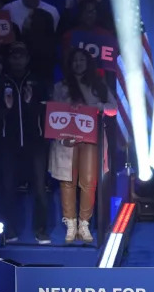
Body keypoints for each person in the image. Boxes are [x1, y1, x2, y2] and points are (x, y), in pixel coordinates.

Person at [49, 48, 117, 244]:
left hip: (91, 138)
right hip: (66, 141)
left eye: (82, 60)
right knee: (67, 180)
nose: (78, 63)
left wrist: (98, 107)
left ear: (88, 63)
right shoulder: (61, 86)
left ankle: (84, 224)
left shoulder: (98, 85)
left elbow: (114, 109)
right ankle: (70, 224)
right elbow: (53, 113)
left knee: (89, 182)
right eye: (75, 60)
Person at [0, 41, 50, 243]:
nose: (17, 59)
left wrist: (29, 104)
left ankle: (41, 229)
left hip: (35, 143)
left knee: (39, 187)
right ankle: (9, 230)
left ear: (27, 58)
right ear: (10, 59)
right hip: (8, 144)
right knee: (7, 187)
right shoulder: (1, 82)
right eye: (14, 56)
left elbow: (46, 113)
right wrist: (7, 109)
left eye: (21, 55)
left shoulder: (37, 81)